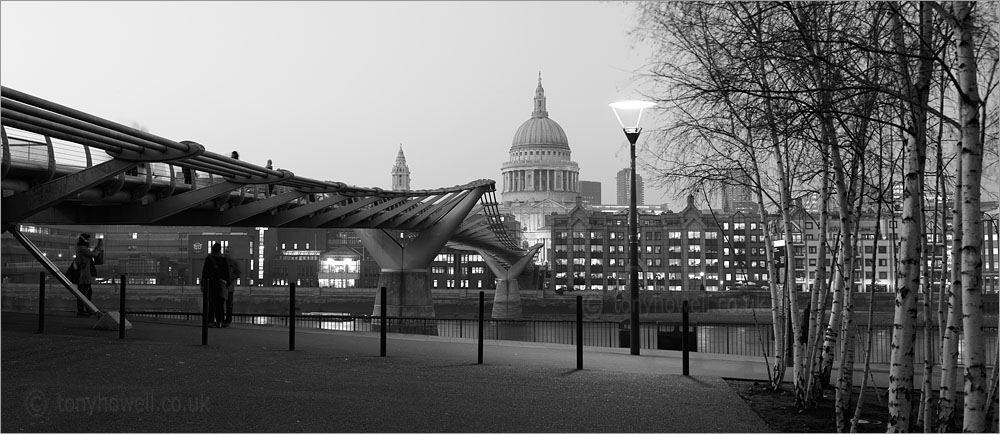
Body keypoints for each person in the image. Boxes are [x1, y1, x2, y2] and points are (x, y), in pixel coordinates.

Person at [200, 243, 230, 328]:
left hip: (211, 285)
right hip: (221, 285)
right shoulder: (224, 260)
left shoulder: (209, 259)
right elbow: (227, 273)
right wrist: (227, 284)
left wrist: (203, 284)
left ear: (212, 249)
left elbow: (205, 273)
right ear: (220, 249)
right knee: (220, 304)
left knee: (211, 304)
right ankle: (219, 321)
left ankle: (210, 321)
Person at [74, 233, 104, 316]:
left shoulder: (81, 249)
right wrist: (99, 246)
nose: (90, 242)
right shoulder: (82, 249)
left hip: (85, 275)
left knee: (87, 292)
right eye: (88, 240)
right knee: (84, 293)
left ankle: (86, 309)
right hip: (85, 275)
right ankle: (83, 310)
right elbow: (95, 254)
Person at [224, 250, 242, 327]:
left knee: (227, 304)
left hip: (227, 286)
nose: (227, 254)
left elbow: (238, 273)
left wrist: (230, 278)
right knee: (227, 304)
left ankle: (226, 320)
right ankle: (225, 320)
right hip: (227, 286)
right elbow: (238, 273)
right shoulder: (232, 263)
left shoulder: (232, 263)